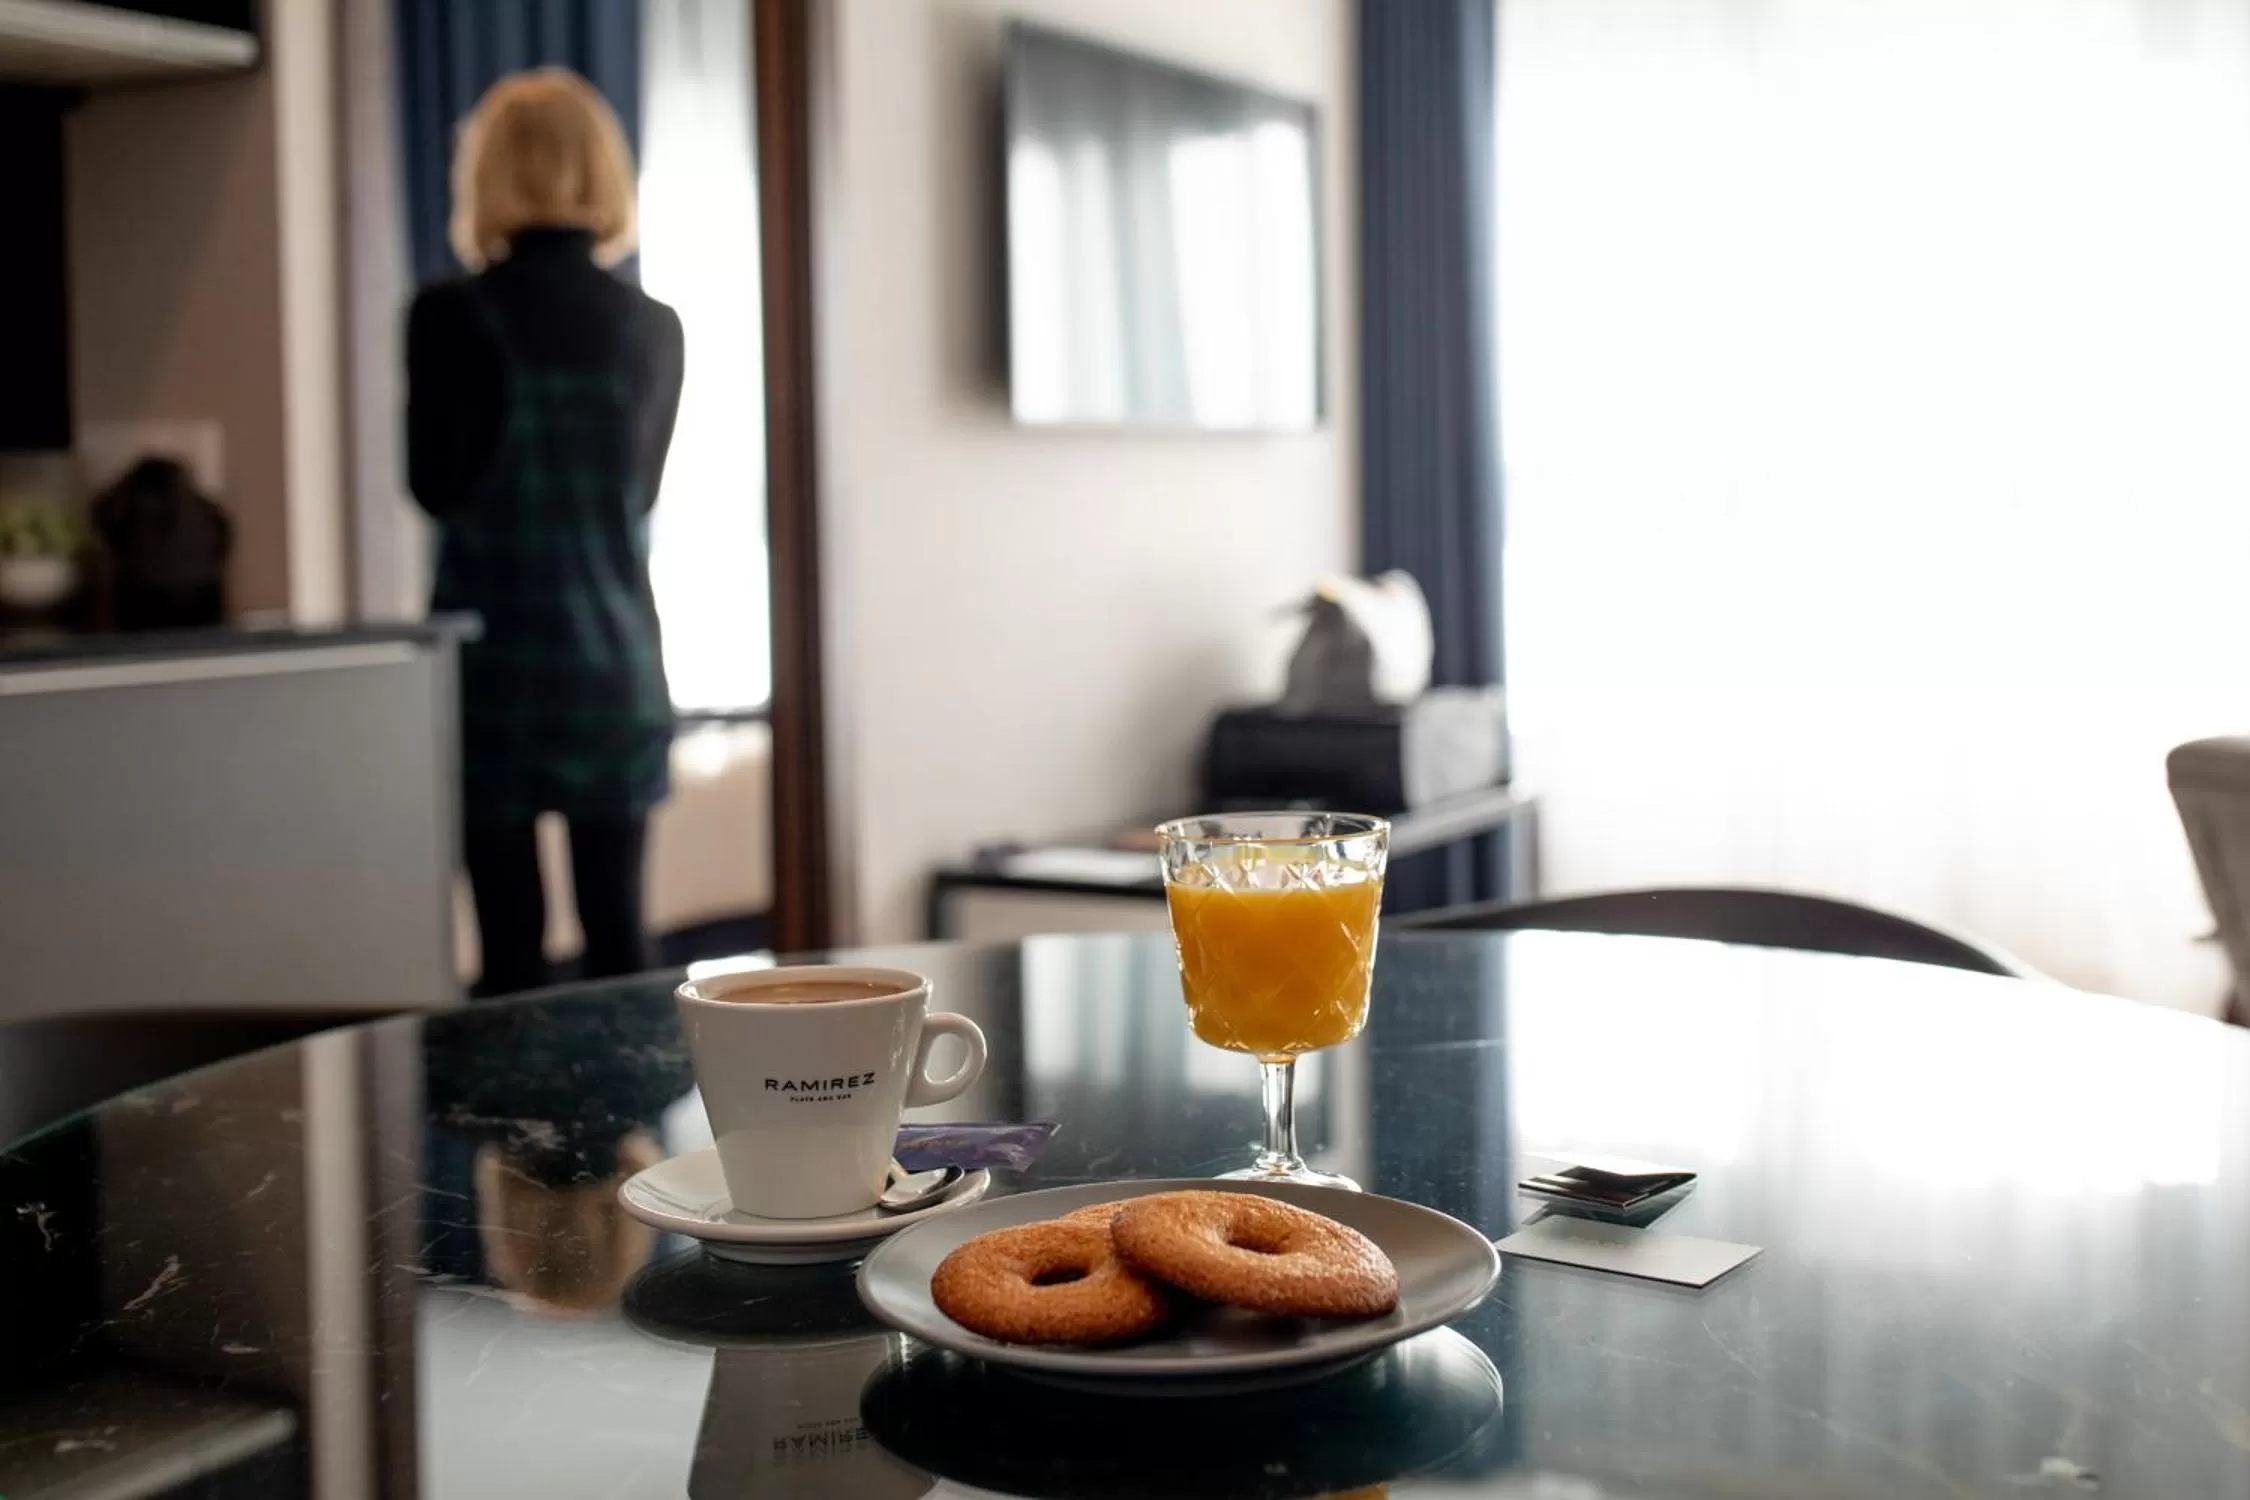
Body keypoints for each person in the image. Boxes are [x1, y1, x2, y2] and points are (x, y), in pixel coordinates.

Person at [406, 68, 685, 996]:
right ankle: (635, 1136)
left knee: (509, 951)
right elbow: (636, 492)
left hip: (494, 668)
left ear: (487, 175)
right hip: (613, 660)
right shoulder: (652, 327)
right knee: (619, 940)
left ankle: (518, 1143)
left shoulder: (448, 317)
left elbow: (434, 488)